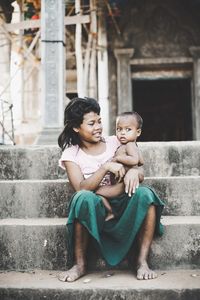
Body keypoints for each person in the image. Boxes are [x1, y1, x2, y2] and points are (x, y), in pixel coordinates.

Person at [58, 97, 164, 282]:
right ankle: (80, 264)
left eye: (99, 121)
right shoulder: (71, 154)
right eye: (91, 123)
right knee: (82, 198)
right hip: (97, 209)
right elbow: (81, 187)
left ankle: (142, 261)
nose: (98, 127)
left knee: (146, 194)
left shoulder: (117, 141)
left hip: (124, 203)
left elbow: (138, 164)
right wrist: (106, 167)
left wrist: (135, 172)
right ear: (76, 127)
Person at [100, 111, 144, 221]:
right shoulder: (129, 145)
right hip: (119, 183)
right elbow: (141, 161)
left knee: (96, 192)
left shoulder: (129, 145)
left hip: (121, 185)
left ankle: (111, 212)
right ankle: (111, 211)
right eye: (119, 129)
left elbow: (135, 160)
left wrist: (118, 158)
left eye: (128, 129)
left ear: (138, 132)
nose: (122, 133)